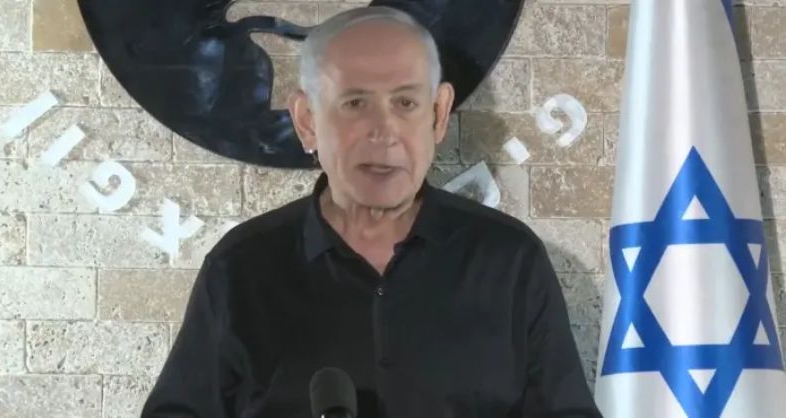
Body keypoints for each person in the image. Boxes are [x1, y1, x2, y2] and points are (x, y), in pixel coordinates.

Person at [141, 6, 601, 418]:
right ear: (307, 120)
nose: (384, 131)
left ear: (439, 114)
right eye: (355, 103)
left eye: (405, 103)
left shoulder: (510, 262)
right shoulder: (241, 268)